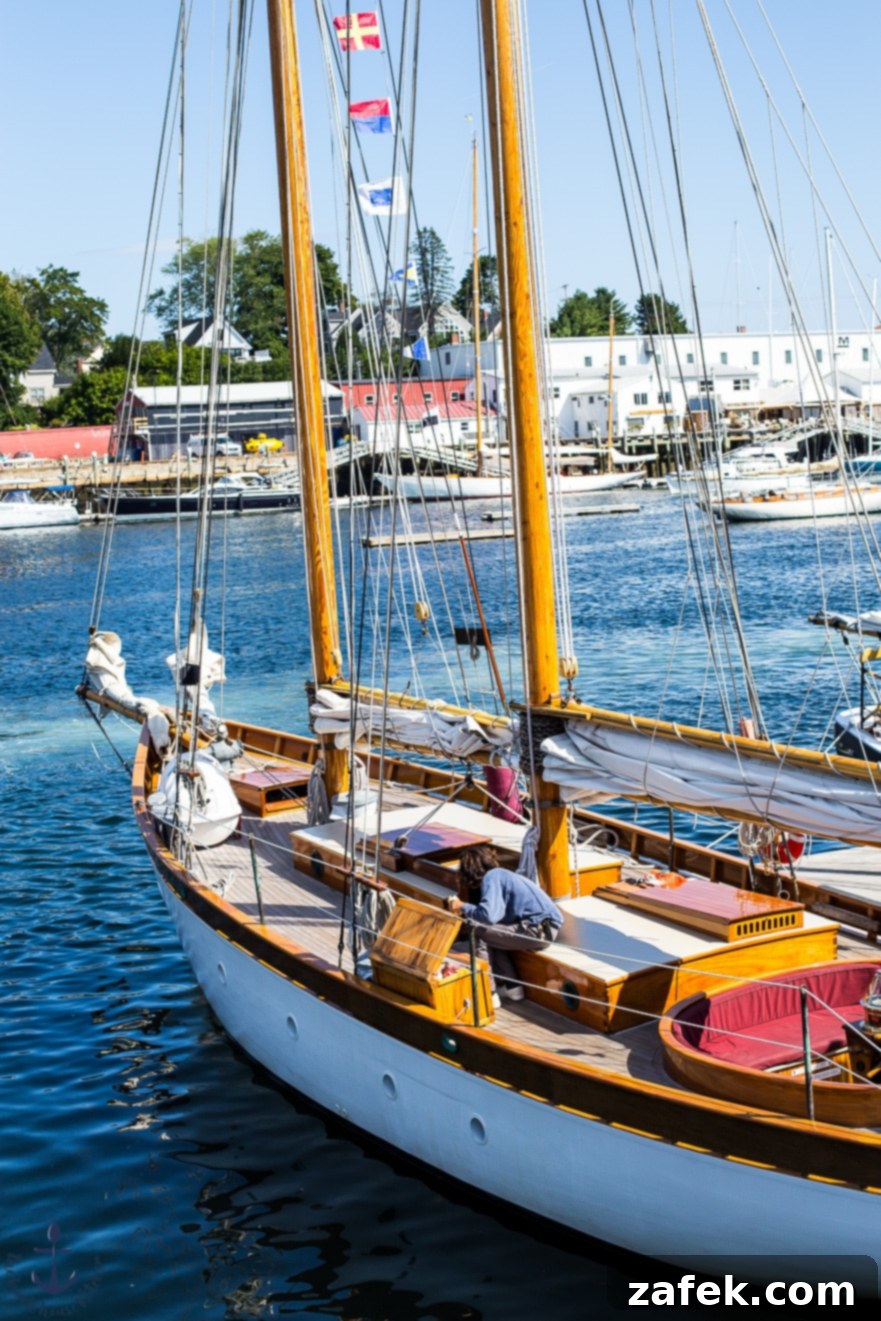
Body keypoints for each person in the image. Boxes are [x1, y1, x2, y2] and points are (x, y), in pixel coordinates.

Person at [446, 844, 563, 1002]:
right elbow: (495, 917)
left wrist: (461, 906)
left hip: (537, 930)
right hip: (543, 929)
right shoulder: (502, 875)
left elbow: (488, 916)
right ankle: (512, 988)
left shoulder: (491, 877)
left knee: (478, 929)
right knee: (492, 934)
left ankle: (489, 994)